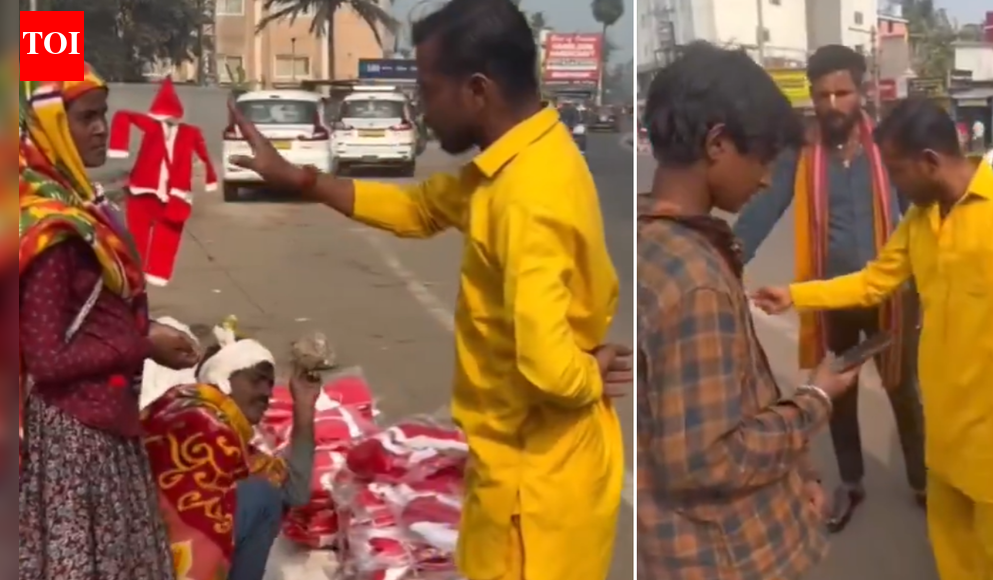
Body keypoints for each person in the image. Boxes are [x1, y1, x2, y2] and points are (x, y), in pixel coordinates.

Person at [225, 0, 631, 578]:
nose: (421, 107)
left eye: (427, 88)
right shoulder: (519, 163)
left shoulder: (527, 197)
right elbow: (418, 208)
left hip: (534, 497)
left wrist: (592, 371)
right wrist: (302, 179)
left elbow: (548, 368)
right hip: (525, 473)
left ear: (477, 90)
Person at [752, 97, 993, 580]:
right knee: (950, 545)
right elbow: (873, 281)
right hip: (944, 427)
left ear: (930, 162)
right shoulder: (921, 222)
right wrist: (793, 293)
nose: (890, 181)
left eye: (896, 169)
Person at [636, 42, 866, 580]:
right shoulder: (697, 284)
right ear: (718, 143)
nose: (765, 179)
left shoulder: (660, 245)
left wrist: (799, 470)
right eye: (761, 159)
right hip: (726, 555)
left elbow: (729, 399)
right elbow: (707, 458)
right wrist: (814, 399)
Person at [733, 45, 926, 531]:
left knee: (904, 390)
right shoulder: (802, 155)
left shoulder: (888, 146)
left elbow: (921, 211)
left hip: (891, 295)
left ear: (861, 92)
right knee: (838, 392)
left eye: (843, 92)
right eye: (823, 95)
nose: (833, 104)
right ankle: (853, 482)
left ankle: (923, 483)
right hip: (832, 301)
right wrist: (724, 259)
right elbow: (763, 210)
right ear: (812, 97)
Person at [18, 68, 201, 580]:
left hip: (103, 428)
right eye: (86, 117)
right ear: (48, 127)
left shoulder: (81, 207)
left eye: (103, 113)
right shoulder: (51, 230)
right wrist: (142, 345)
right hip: (76, 443)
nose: (102, 128)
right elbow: (48, 360)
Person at [142, 322, 317, 580]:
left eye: (269, 384)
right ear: (223, 379)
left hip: (136, 552)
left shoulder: (184, 408)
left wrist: (304, 408)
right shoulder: (206, 424)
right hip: (154, 555)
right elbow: (290, 493)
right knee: (263, 497)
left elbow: (295, 492)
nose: (266, 393)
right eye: (257, 380)